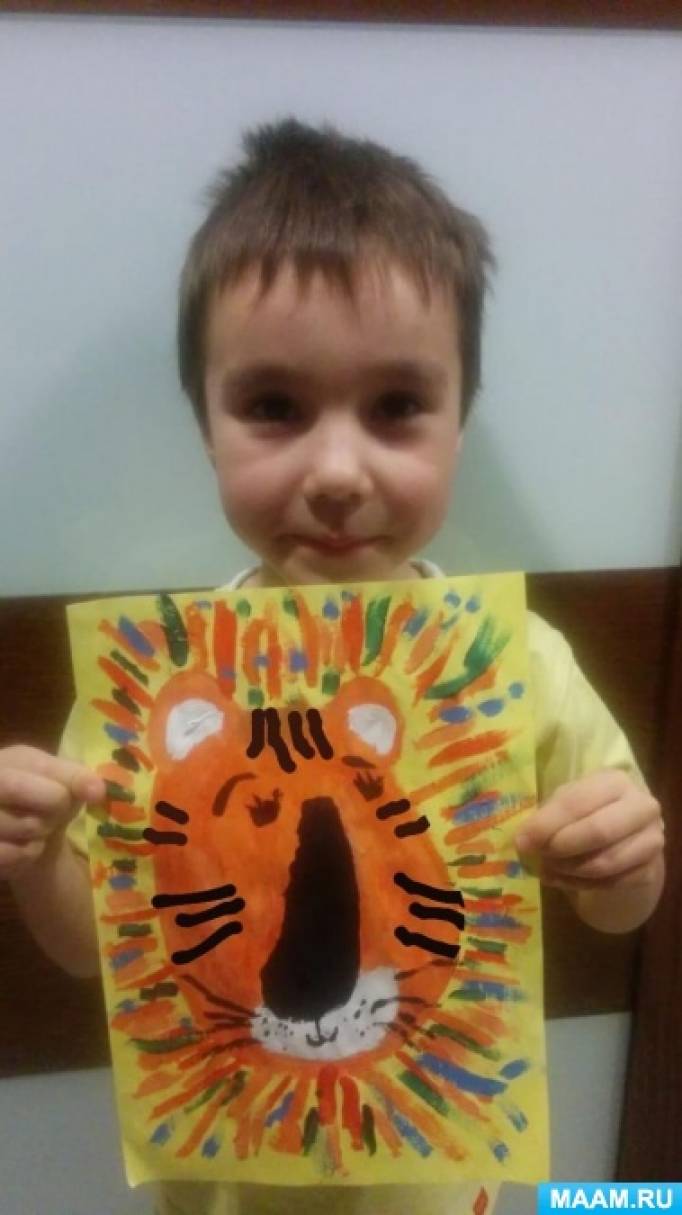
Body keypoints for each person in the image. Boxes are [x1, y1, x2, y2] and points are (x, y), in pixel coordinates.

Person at [0, 118, 664, 1215]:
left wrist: (623, 862)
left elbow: (620, 914)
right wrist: (34, 861)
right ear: (207, 428)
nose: (340, 470)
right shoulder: (158, 689)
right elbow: (95, 953)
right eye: (275, 407)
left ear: (459, 423)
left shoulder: (515, 667)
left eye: (397, 407)